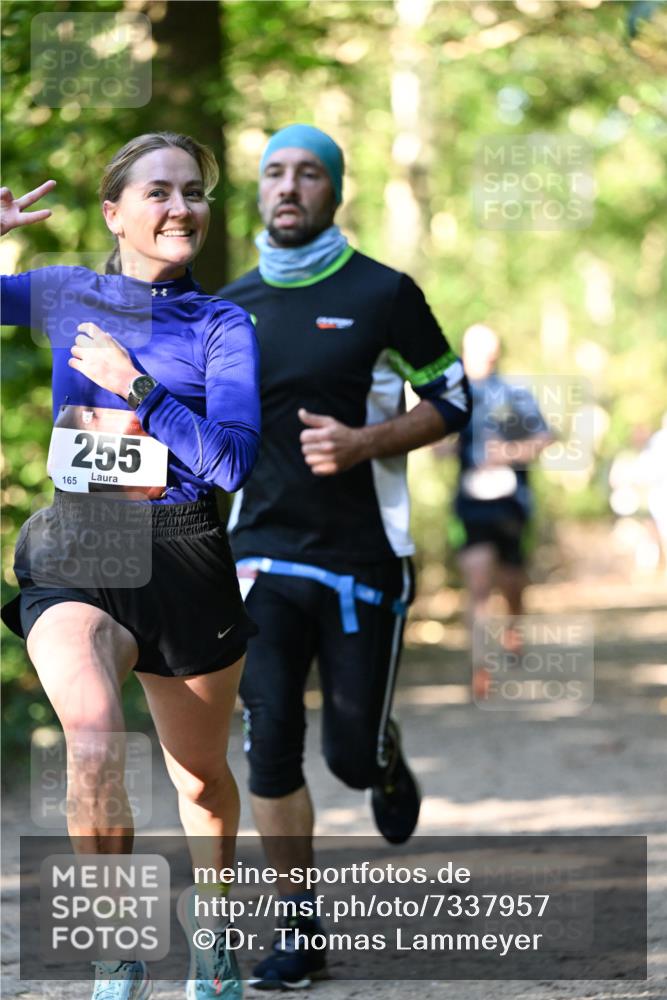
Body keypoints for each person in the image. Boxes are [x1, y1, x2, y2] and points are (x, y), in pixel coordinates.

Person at [0, 133, 261, 1000]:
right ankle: (117, 954)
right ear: (114, 213)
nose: (181, 207)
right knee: (91, 738)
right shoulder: (66, 293)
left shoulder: (222, 325)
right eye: (159, 191)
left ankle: (213, 932)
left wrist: (136, 385)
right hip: (79, 544)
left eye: (193, 192)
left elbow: (230, 463)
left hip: (184, 554)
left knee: (201, 781)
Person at [218, 123, 471, 990]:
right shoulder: (230, 305)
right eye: (274, 172)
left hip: (364, 556)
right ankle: (298, 931)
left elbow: (453, 398)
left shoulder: (382, 292)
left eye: (308, 173)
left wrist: (365, 441)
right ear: (259, 189)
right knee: (270, 740)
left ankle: (380, 753)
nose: (289, 187)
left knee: (347, 759)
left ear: (335, 190)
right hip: (259, 556)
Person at [449, 324, 552, 682]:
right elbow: (435, 443)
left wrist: (508, 452)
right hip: (471, 502)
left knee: (511, 580)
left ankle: (513, 632)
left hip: (511, 503)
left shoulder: (515, 393)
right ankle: (480, 665)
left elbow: (544, 437)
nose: (485, 360)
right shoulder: (454, 396)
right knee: (478, 582)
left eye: (490, 354)